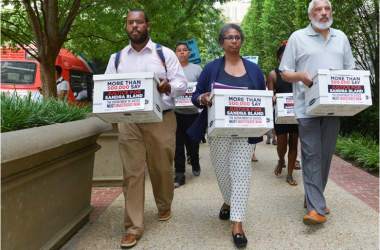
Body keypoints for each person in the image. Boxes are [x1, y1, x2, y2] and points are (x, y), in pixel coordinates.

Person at [104, 9, 187, 248]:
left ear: (147, 25)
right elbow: (109, 87)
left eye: (139, 22)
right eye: (130, 22)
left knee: (161, 167)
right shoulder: (117, 58)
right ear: (126, 26)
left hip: (161, 118)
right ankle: (133, 227)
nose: (135, 26)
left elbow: (181, 83)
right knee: (132, 173)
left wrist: (168, 86)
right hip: (129, 121)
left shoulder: (164, 54)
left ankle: (164, 204)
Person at [189, 23, 265, 248]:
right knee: (223, 173)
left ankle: (237, 223)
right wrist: (202, 98)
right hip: (218, 132)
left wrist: (267, 102)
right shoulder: (211, 68)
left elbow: (261, 97)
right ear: (221, 42)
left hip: (244, 131)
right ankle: (227, 201)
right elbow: (195, 96)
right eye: (229, 37)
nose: (234, 41)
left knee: (241, 173)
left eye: (237, 37)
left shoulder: (254, 70)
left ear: (241, 41)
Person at [279, 0, 355, 225]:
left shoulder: (341, 37)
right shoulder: (297, 37)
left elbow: (350, 69)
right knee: (312, 155)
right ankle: (316, 208)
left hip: (334, 106)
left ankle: (314, 197)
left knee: (326, 155)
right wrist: (301, 76)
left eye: (327, 9)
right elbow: (285, 72)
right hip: (307, 107)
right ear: (310, 14)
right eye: (318, 10)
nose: (323, 13)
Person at [268, 41, 299, 186]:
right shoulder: (273, 74)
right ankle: (281, 160)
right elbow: (269, 94)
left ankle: (290, 174)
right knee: (282, 145)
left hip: (295, 113)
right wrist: (273, 97)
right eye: (283, 55)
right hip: (280, 114)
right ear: (279, 57)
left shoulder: (298, 73)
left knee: (294, 144)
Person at [174, 42, 202, 188]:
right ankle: (179, 174)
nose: (182, 52)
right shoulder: (171, 69)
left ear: (189, 53)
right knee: (177, 144)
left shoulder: (197, 69)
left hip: (193, 112)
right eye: (179, 50)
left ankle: (195, 161)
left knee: (193, 142)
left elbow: (203, 88)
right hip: (176, 113)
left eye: (185, 50)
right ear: (175, 53)